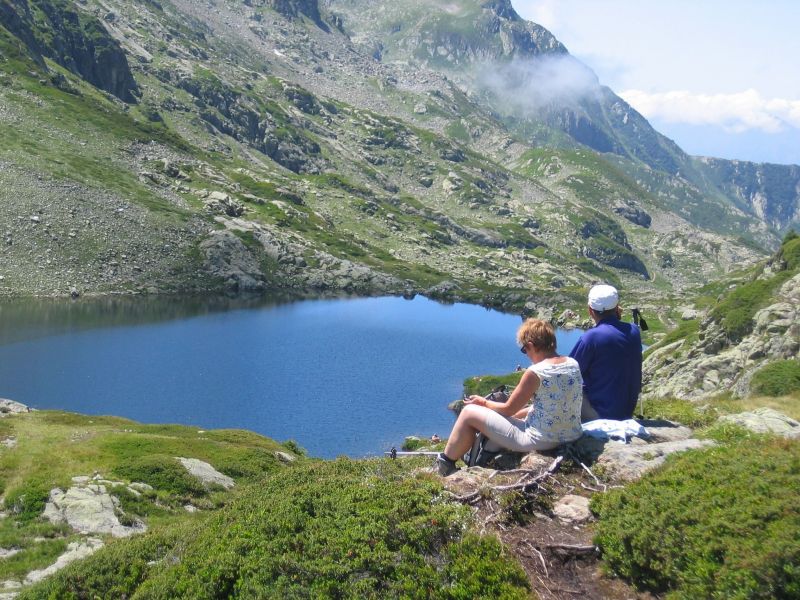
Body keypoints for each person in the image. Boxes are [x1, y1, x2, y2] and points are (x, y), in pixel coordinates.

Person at [437, 319, 583, 476]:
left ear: (531, 346)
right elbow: (552, 405)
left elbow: (508, 409)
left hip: (541, 440)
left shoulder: (536, 372)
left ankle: (446, 465)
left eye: (524, 350)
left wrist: (483, 402)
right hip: (571, 434)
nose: (526, 354)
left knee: (468, 412)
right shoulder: (572, 363)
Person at [569, 284, 642, 421]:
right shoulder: (634, 331)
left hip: (600, 415)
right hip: (625, 413)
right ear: (617, 308)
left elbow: (565, 373)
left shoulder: (591, 338)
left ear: (590, 310)